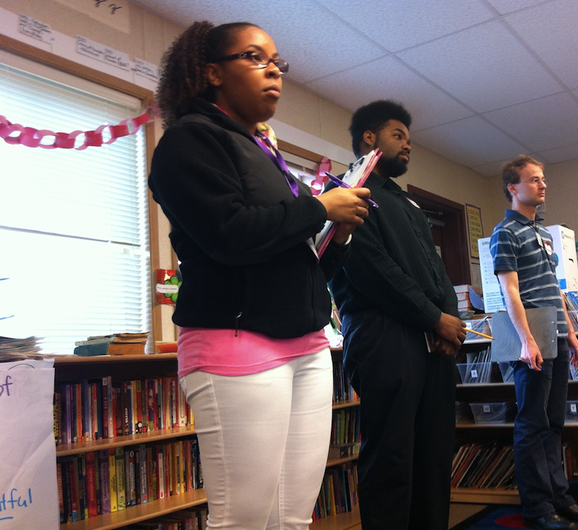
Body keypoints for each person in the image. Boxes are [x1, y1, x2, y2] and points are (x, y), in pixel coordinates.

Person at [148, 20, 371, 530]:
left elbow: (293, 250)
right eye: (254, 57)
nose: (274, 69)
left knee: (291, 518)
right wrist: (319, 208)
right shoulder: (188, 141)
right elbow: (230, 234)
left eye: (278, 62)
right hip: (236, 341)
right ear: (211, 72)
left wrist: (339, 231)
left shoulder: (266, 153)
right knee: (245, 520)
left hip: (307, 343)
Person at [328, 100, 467, 530]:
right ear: (369, 138)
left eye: (409, 138)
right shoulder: (349, 191)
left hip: (431, 342)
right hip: (383, 336)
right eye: (397, 136)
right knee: (392, 460)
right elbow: (372, 270)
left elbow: (435, 268)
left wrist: (449, 318)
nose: (408, 146)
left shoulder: (406, 203)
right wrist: (434, 318)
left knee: (433, 454)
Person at [490, 155, 578, 530]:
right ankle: (538, 508)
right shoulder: (504, 233)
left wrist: (570, 331)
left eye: (543, 179)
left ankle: (560, 499)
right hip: (531, 337)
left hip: (555, 332)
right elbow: (510, 291)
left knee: (554, 422)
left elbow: (554, 291)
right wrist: (526, 340)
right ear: (513, 187)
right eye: (534, 180)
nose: (543, 185)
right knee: (532, 422)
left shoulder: (541, 233)